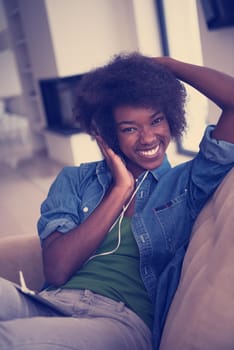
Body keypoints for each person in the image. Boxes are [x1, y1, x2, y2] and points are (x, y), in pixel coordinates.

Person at [0, 53, 233, 350]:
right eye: (129, 128)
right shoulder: (75, 180)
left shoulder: (185, 185)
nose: (148, 138)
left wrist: (166, 66)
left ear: (170, 119)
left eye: (156, 120)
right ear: (108, 134)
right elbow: (57, 270)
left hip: (117, 322)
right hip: (49, 304)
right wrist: (120, 190)